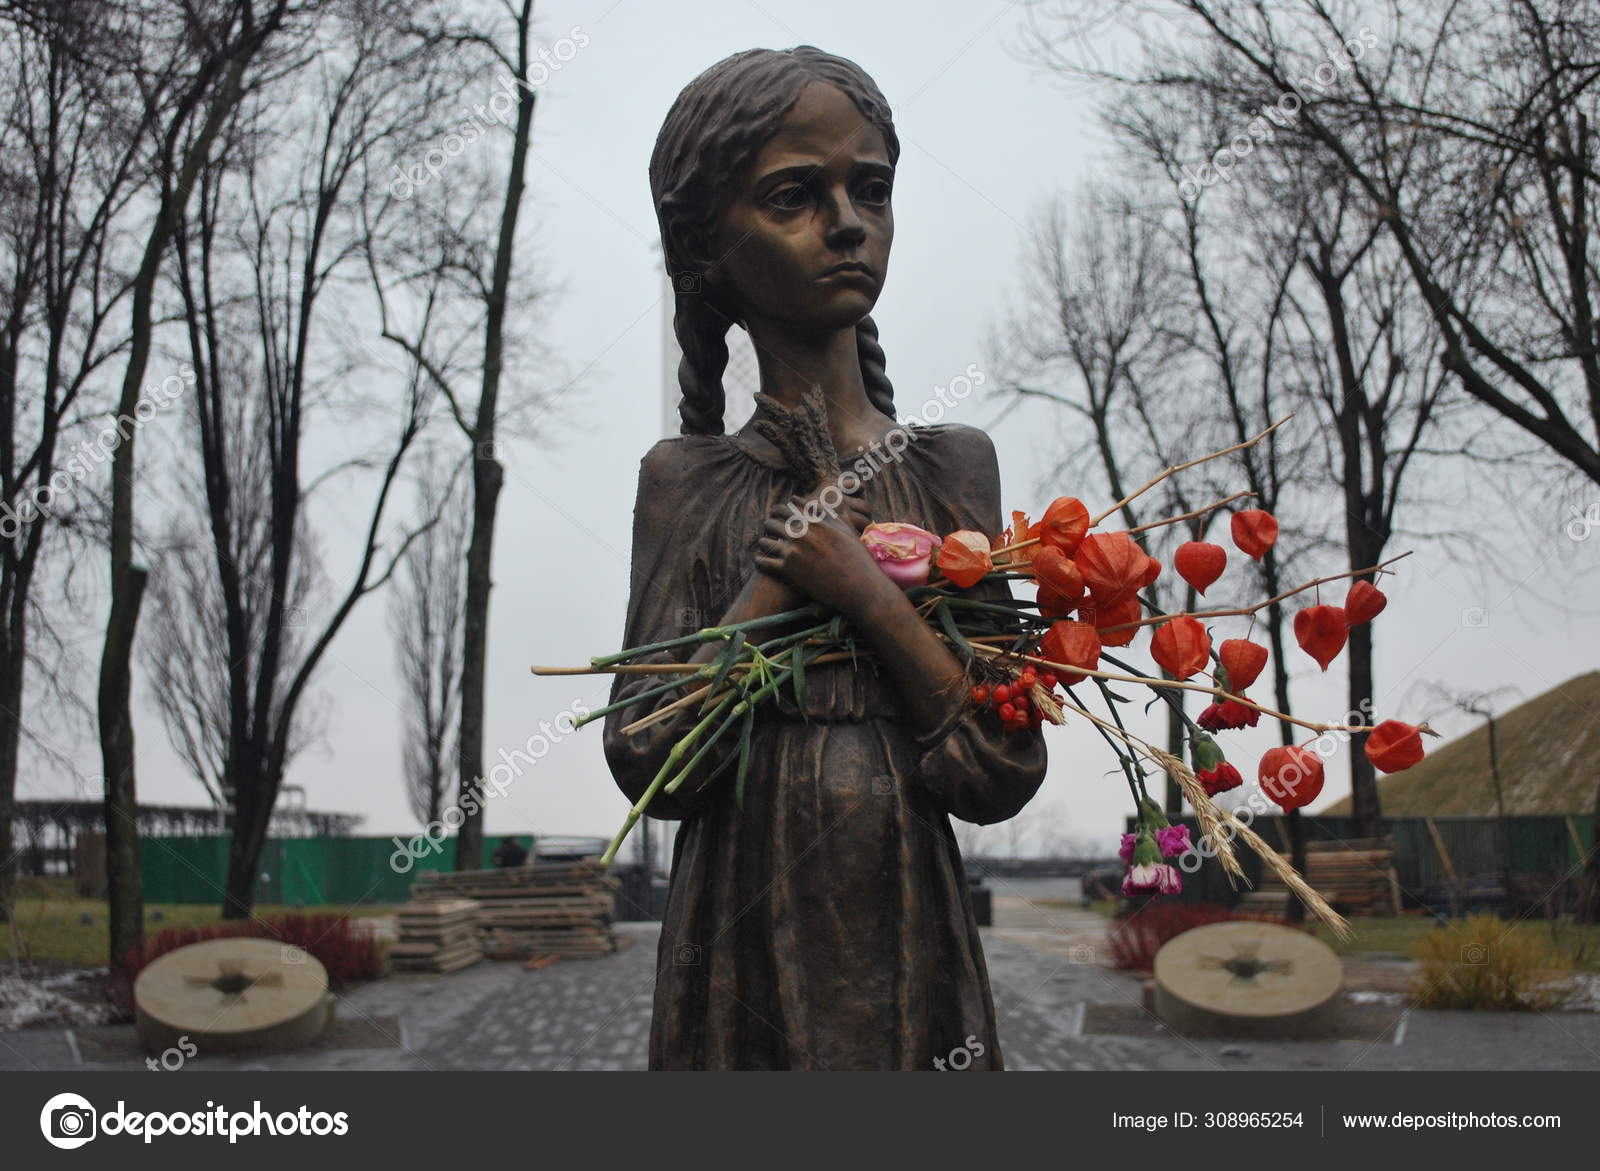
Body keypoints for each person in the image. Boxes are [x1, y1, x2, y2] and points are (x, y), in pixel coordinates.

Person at [603, 46, 1047, 1070]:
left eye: (872, 188)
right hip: (741, 929)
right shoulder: (686, 479)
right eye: (795, 196)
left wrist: (868, 596)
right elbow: (648, 758)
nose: (848, 223)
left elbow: (1000, 763)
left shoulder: (950, 468)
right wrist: (773, 581)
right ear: (710, 244)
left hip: (907, 915)